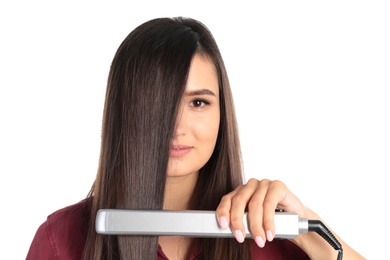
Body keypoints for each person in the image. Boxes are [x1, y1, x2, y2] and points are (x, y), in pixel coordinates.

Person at [26, 17, 365, 260]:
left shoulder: (270, 236)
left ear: (222, 113)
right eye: (157, 103)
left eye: (198, 102)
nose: (177, 127)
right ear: (124, 112)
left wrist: (309, 230)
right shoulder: (60, 241)